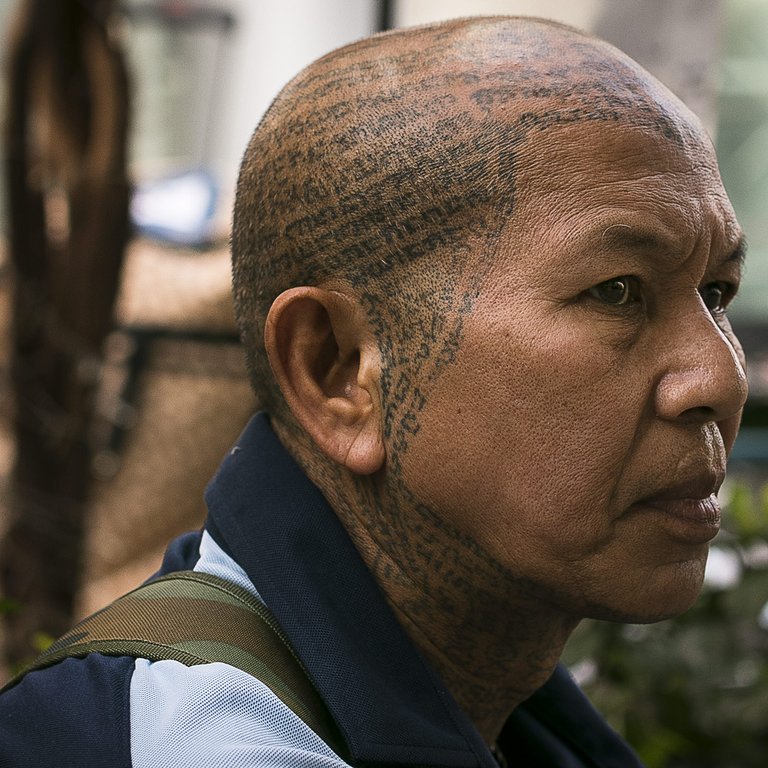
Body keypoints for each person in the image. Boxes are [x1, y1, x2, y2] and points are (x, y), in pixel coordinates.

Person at [0, 15, 748, 768]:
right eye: (617, 292)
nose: (719, 378)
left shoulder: (497, 707)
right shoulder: (211, 741)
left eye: (718, 292)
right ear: (339, 370)